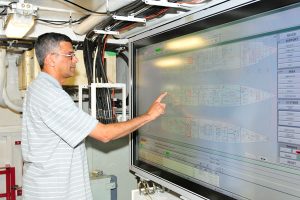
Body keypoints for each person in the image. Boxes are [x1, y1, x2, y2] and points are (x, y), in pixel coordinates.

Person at [21, 32, 167, 200]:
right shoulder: (50, 94)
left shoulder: (38, 88)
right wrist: (149, 115)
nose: (75, 60)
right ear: (50, 59)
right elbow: (104, 134)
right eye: (70, 55)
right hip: (54, 192)